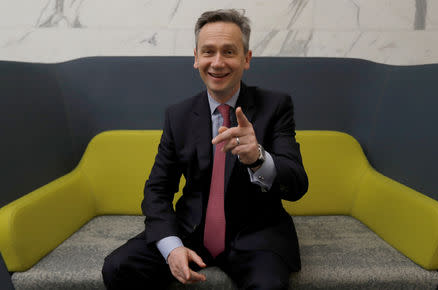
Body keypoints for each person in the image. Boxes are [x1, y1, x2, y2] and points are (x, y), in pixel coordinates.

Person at [102, 9, 308, 290]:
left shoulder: (276, 106)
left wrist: (258, 158)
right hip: (191, 231)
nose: (217, 62)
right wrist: (172, 247)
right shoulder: (178, 115)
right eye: (208, 51)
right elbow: (157, 191)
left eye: (229, 52)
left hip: (256, 235)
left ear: (246, 59)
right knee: (118, 267)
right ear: (196, 57)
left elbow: (297, 185)